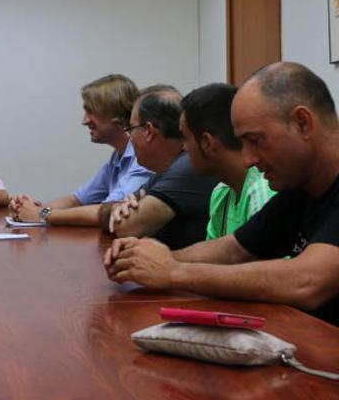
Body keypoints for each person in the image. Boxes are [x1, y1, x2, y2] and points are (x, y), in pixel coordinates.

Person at [104, 62, 339, 326]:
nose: (248, 159)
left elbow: (307, 282)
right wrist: (144, 258)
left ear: (302, 123)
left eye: (256, 140)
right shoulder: (301, 187)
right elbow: (235, 249)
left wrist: (174, 271)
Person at [10, 74, 153, 226]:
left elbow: (108, 210)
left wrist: (42, 214)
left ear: (113, 112)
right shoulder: (118, 156)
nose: (84, 121)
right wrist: (29, 209)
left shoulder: (144, 158)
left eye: (90, 111)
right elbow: (77, 200)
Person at [100, 85, 217, 249]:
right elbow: (105, 208)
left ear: (148, 130)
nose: (130, 139)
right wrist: (116, 207)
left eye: (131, 129)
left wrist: (48, 214)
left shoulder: (187, 167)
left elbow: (125, 226)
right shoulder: (165, 169)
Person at [179, 83, 275, 239]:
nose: (184, 147)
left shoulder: (262, 194)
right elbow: (212, 258)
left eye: (186, 138)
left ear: (207, 142)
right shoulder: (221, 193)